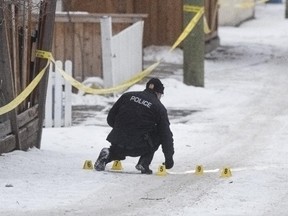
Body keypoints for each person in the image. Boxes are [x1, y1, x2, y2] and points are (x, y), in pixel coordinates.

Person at [94, 78, 174, 174]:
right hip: (139, 147)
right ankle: (144, 163)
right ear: (158, 93)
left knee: (117, 152)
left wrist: (121, 129)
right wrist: (169, 160)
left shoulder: (127, 96)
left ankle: (108, 154)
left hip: (117, 142)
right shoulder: (159, 107)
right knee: (159, 132)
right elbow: (166, 136)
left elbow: (110, 118)